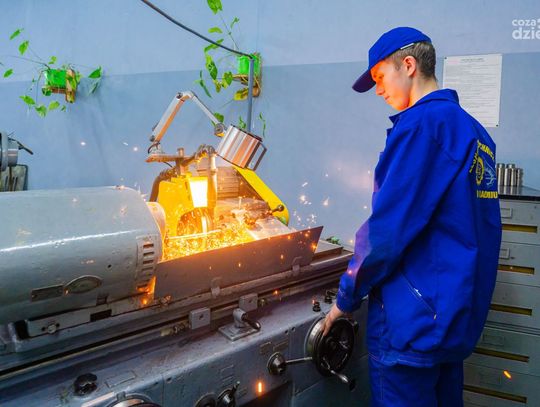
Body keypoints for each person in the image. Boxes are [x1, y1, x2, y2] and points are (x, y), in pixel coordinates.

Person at [321, 27, 502, 406]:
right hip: (452, 320)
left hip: (412, 327)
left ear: (408, 65)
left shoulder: (422, 126)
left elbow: (387, 232)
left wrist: (345, 299)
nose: (379, 91)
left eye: (380, 77)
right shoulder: (475, 132)